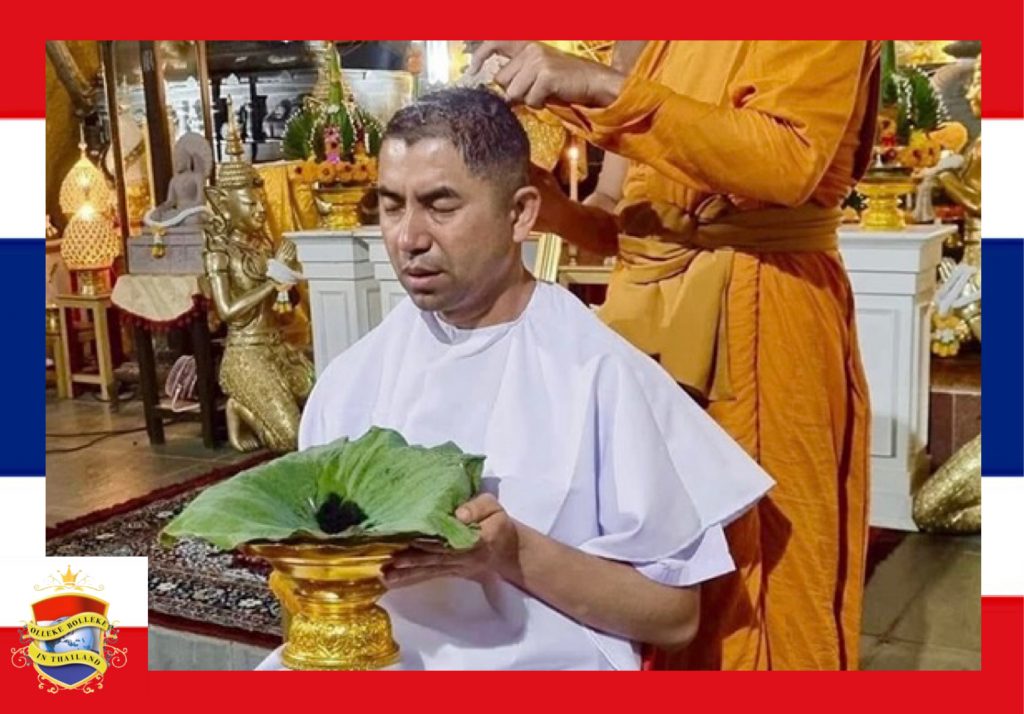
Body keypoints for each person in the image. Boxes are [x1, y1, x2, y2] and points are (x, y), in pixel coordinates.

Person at [260, 87, 771, 670]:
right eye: (392, 204)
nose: (409, 237)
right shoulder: (353, 377)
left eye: (441, 205)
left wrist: (509, 552)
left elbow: (675, 617)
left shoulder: (599, 373)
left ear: (520, 213)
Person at [470, 40, 879, 670]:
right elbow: (618, 218)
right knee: (647, 545)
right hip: (645, 321)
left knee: (762, 568)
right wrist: (550, 208)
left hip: (759, 310)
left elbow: (788, 161)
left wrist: (602, 86)